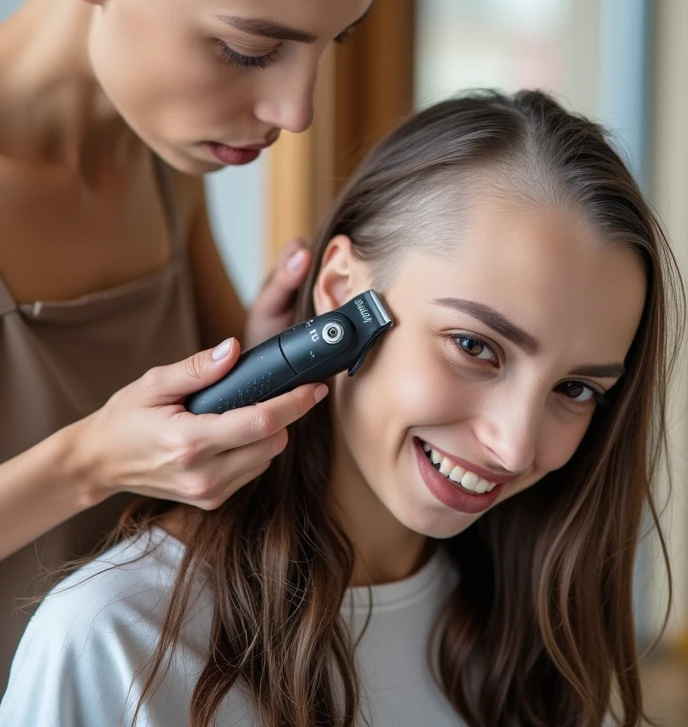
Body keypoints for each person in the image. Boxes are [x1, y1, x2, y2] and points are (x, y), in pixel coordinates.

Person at [1, 89, 681, 727]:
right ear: (340, 290)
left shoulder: (542, 635)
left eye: (576, 390)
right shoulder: (117, 639)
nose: (513, 446)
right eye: (475, 346)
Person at [0, 0, 388, 686]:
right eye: (248, 47)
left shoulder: (167, 156)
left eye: (323, 44)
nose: (293, 109)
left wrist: (257, 368)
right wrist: (89, 459)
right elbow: (110, 463)